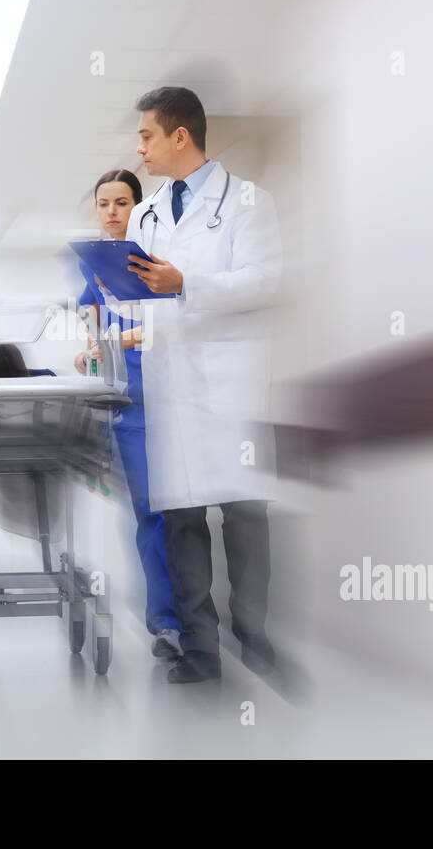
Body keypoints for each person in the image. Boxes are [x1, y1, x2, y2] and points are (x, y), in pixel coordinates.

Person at [123, 87, 283, 683]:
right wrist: (123, 297)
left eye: (147, 136)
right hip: (173, 379)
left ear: (180, 136)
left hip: (230, 381)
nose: (140, 148)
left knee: (244, 513)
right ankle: (201, 650)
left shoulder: (248, 202)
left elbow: (263, 282)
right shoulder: (145, 214)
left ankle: (252, 632)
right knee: (182, 520)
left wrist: (186, 283)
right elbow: (143, 297)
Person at [72, 169, 182, 662]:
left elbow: (169, 323)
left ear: (139, 207)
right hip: (127, 400)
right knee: (148, 513)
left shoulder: (156, 258)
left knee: (176, 511)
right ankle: (166, 621)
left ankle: (182, 617)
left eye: (122, 202)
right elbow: (93, 321)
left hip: (170, 394)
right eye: (104, 204)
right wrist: (91, 350)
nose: (112, 212)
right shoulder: (93, 265)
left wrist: (116, 341)